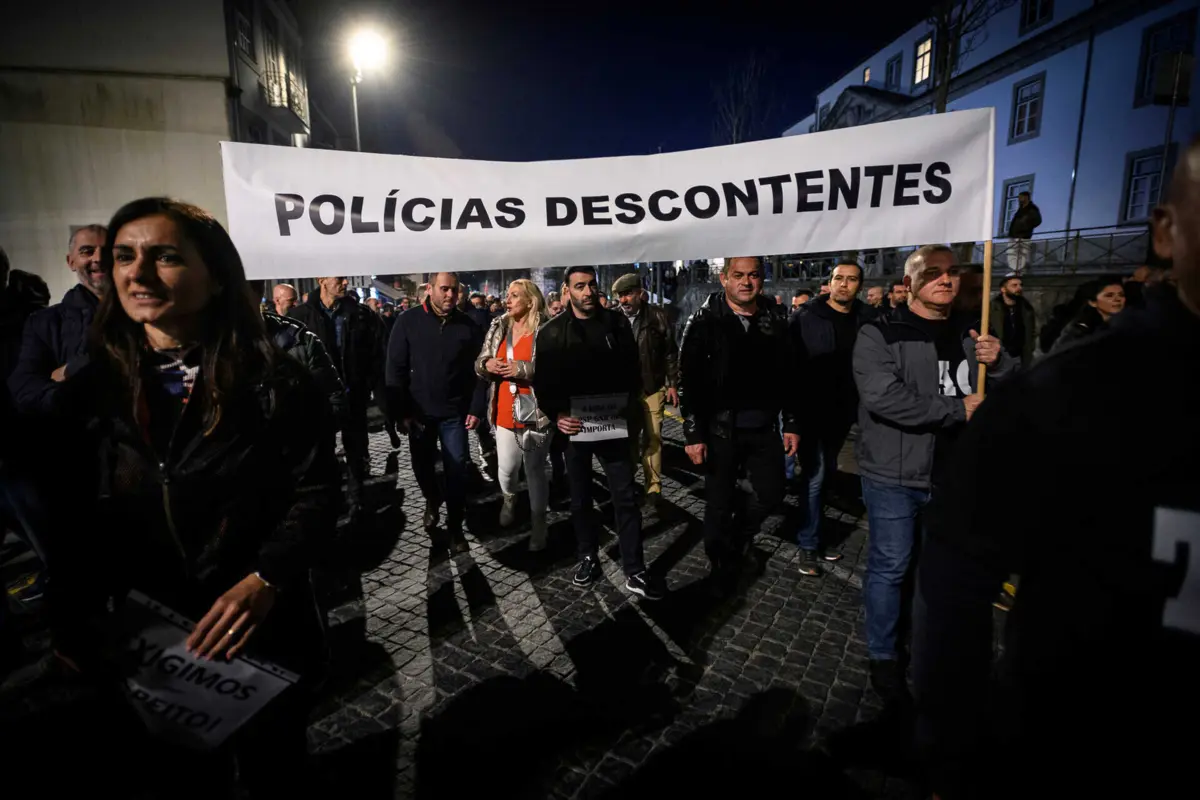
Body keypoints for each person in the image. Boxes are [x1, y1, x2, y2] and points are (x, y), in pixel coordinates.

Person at [913, 143, 1200, 800]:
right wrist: (953, 745)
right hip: (1077, 748)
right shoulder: (1071, 394)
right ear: (1166, 233)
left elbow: (1015, 358)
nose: (953, 284)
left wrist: (999, 360)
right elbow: (956, 581)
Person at [52, 198, 339, 797]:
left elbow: (317, 494)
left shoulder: (277, 384)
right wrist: (75, 621)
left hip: (258, 632)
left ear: (216, 277)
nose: (138, 273)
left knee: (274, 772)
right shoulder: (91, 394)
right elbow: (71, 519)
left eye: (165, 257)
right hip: (149, 638)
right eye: (124, 257)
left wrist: (266, 578)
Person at [852, 243, 1012, 700]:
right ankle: (884, 654)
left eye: (952, 272)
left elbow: (1012, 387)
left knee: (938, 570)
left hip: (955, 474)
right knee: (891, 566)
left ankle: (929, 646)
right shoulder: (880, 332)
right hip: (895, 473)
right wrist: (957, 409)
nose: (945, 279)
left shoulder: (973, 331)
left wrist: (1000, 363)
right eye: (933, 272)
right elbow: (884, 398)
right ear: (909, 283)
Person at [533, 265, 664, 600]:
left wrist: (625, 406)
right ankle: (588, 556)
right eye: (580, 286)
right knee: (580, 498)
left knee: (625, 497)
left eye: (591, 284)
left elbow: (632, 371)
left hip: (613, 425)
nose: (588, 291)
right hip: (574, 428)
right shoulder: (551, 332)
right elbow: (543, 383)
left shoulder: (617, 324)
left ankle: (635, 569)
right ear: (567, 290)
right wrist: (558, 414)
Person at [679, 257, 798, 589]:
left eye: (753, 275)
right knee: (718, 502)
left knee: (772, 492)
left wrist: (791, 422)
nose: (746, 282)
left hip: (764, 427)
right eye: (738, 275)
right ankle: (720, 561)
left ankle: (740, 534)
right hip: (719, 429)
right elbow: (687, 380)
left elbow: (791, 374)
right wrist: (693, 433)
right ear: (724, 279)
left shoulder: (775, 317)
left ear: (762, 278)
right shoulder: (703, 320)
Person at [386, 272, 486, 553]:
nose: (450, 295)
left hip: (455, 413)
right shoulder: (407, 321)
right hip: (419, 414)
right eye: (444, 289)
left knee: (457, 470)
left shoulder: (468, 325)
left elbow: (480, 371)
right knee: (422, 466)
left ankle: (455, 527)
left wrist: (476, 407)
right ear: (430, 289)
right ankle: (432, 498)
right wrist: (401, 412)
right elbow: (395, 369)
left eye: (454, 290)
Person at [789, 261, 873, 575]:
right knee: (815, 476)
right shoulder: (806, 316)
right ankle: (808, 545)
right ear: (830, 281)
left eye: (851, 279)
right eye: (839, 278)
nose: (844, 284)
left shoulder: (868, 318)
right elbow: (791, 368)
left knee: (826, 477)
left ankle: (816, 536)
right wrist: (792, 418)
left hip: (847, 411)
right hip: (812, 411)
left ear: (859, 285)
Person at [289, 277, 387, 516]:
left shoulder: (362, 315)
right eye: (339, 277)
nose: (345, 282)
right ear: (322, 279)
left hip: (354, 394)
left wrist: (368, 384)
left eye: (346, 278)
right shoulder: (300, 316)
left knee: (356, 449)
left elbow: (378, 352)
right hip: (319, 398)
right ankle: (330, 502)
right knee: (323, 452)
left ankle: (356, 500)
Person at [476, 280, 554, 549]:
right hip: (504, 408)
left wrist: (521, 369)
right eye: (507, 295)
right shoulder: (499, 325)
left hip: (536, 410)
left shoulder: (547, 327)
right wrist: (487, 364)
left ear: (530, 301)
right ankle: (509, 498)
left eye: (514, 295)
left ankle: (539, 524)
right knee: (507, 469)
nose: (507, 300)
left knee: (534, 469)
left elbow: (556, 367)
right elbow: (480, 361)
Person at [8, 223, 107, 414]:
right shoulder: (43, 322)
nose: (99, 258)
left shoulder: (146, 313)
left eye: (108, 251)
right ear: (71, 262)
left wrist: (62, 373)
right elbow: (25, 386)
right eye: (87, 251)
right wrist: (72, 380)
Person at [613, 273, 679, 512]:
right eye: (620, 295)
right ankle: (628, 482)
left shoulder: (657, 316)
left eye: (628, 294)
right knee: (628, 439)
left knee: (653, 438)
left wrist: (672, 384)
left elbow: (670, 352)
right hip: (625, 392)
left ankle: (653, 487)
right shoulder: (613, 319)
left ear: (640, 293)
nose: (624, 300)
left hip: (652, 387)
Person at [1052, 278, 1125, 352]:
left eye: (1121, 295)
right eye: (1109, 295)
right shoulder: (1079, 329)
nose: (1117, 299)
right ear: (1093, 302)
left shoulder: (1127, 324)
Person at [989, 273, 1038, 368]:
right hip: (999, 357)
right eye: (1014, 285)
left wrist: (1030, 349)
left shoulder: (1026, 308)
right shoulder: (992, 308)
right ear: (1003, 289)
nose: (1019, 288)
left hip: (1021, 358)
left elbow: (1031, 332)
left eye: (1020, 285)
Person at [1006, 190, 1042, 273]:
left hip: (1023, 235)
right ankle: (1014, 270)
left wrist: (1026, 226)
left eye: (1021, 197)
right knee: (1012, 253)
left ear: (1026, 197)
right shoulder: (1021, 208)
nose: (1019, 199)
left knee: (1022, 254)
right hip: (1014, 235)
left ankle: (1019, 271)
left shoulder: (1032, 209)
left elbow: (1037, 221)